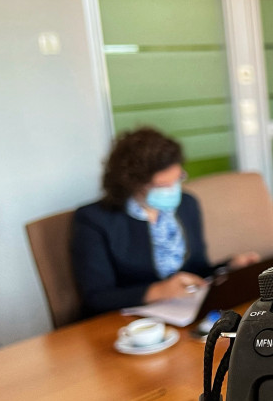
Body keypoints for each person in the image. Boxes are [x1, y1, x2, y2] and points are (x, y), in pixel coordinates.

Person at [71, 127, 259, 317]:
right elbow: (96, 297)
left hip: (184, 314)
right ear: (132, 183)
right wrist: (160, 291)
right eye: (162, 185)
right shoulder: (94, 220)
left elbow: (197, 271)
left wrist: (229, 268)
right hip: (127, 323)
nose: (172, 190)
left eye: (177, 179)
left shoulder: (187, 204)